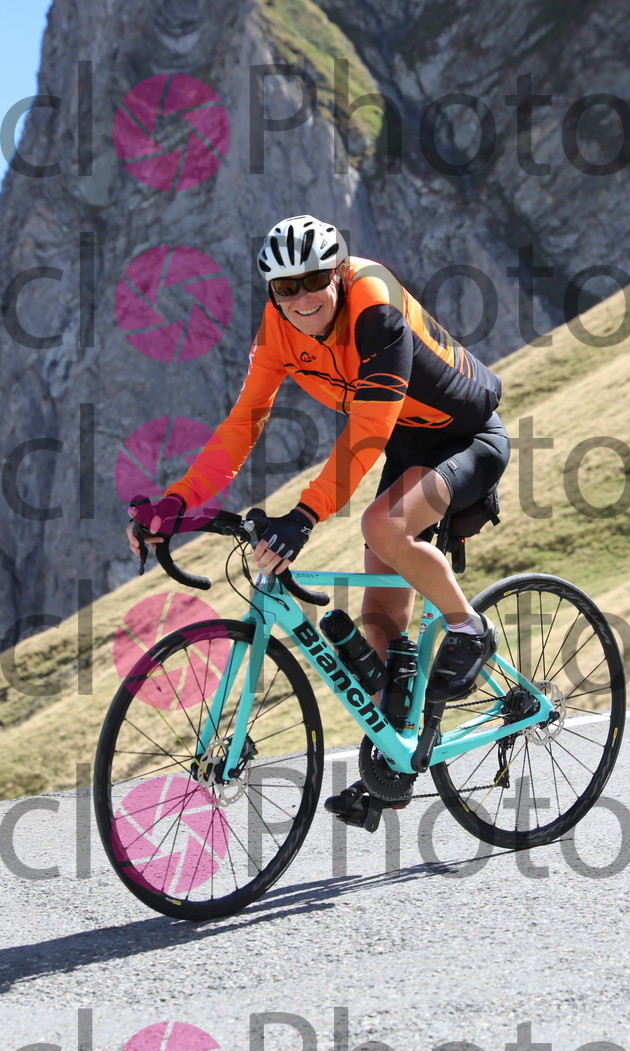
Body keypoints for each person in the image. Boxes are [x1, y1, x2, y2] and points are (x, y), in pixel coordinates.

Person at [125, 214, 510, 828]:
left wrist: (304, 516)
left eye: (313, 280)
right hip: (408, 445)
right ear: (272, 292)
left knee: (382, 527)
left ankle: (469, 629)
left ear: (338, 273)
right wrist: (178, 501)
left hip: (466, 437)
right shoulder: (279, 326)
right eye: (286, 287)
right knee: (380, 620)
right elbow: (245, 421)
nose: (302, 297)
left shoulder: (374, 307)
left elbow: (368, 430)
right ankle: (394, 765)